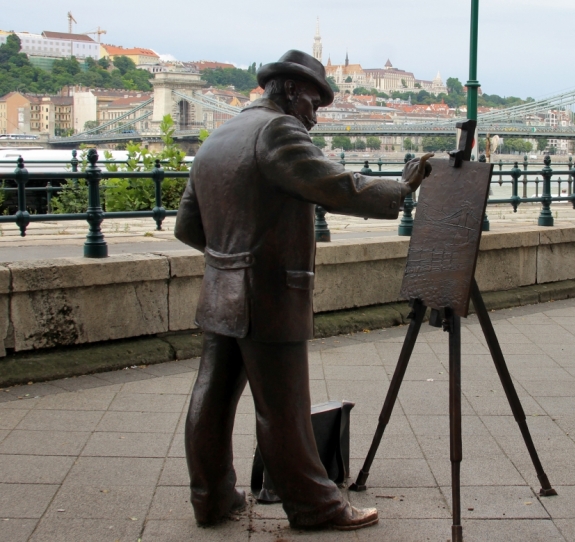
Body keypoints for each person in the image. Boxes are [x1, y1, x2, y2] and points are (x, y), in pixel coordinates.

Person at [174, 49, 432, 530]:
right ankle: (316, 507)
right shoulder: (277, 130)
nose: (316, 117)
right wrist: (401, 188)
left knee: (210, 395)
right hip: (268, 293)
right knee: (284, 409)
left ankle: (210, 498)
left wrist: (231, 255)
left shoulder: (218, 136)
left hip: (219, 289)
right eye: (315, 103)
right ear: (291, 91)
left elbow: (189, 228)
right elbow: (338, 186)